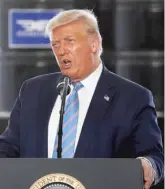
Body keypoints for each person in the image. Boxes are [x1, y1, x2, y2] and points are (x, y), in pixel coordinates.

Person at [0, 9, 163, 189]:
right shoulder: (33, 90)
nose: (61, 51)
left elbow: (153, 157)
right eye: (55, 44)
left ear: (94, 44)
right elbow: (9, 147)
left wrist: (148, 166)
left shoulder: (133, 97)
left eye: (69, 41)